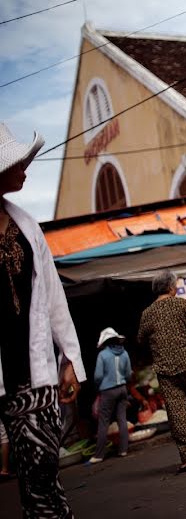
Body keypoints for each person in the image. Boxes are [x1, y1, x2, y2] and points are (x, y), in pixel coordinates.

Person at [0, 123, 85, 517]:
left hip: (33, 378)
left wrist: (69, 358)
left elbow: (52, 296)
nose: (25, 169)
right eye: (18, 163)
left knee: (43, 478)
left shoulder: (27, 226)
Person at [138, 271, 186, 473]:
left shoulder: (147, 313)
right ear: (172, 288)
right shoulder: (181, 304)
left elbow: (140, 339)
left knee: (177, 412)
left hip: (165, 368)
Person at [88, 328, 132, 463]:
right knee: (122, 419)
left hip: (108, 390)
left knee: (103, 422)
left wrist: (98, 388)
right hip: (122, 389)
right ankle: (123, 450)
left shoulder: (103, 355)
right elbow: (128, 374)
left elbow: (98, 376)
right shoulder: (124, 353)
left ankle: (99, 455)